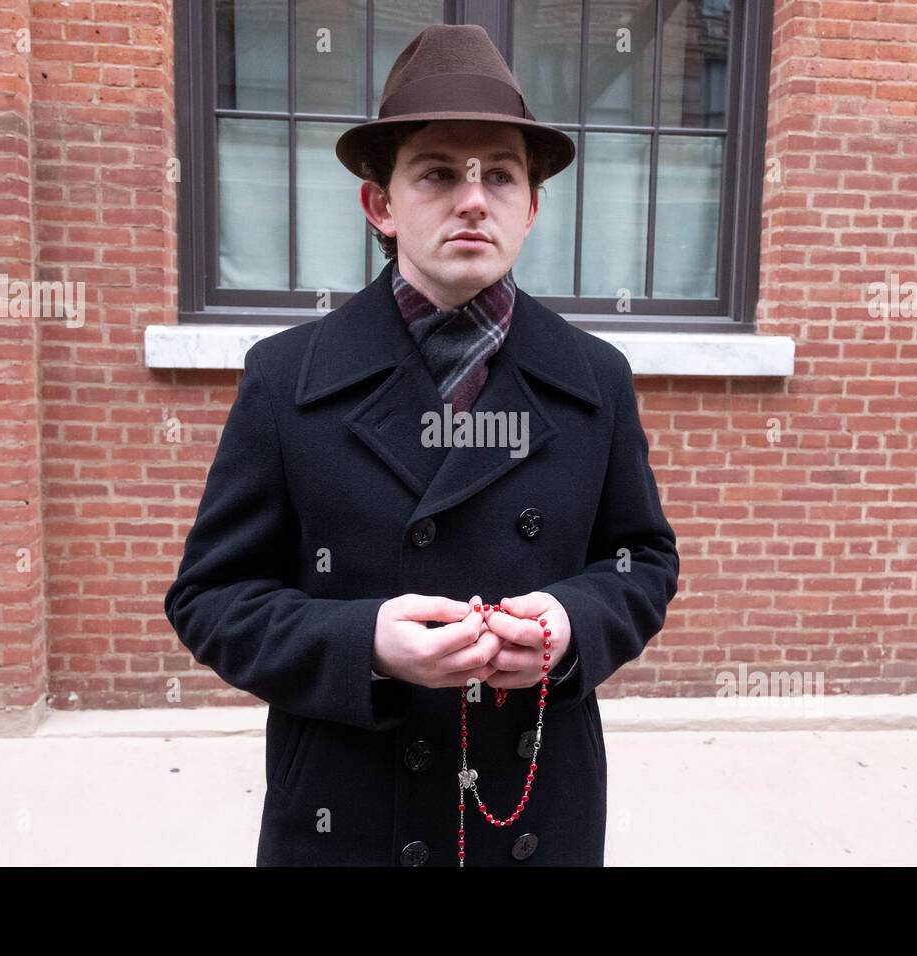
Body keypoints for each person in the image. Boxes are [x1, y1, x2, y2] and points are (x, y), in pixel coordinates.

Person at [164, 23, 679, 867]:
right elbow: (212, 599)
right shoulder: (286, 378)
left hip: (533, 808)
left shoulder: (595, 377)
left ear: (532, 208)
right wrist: (364, 643)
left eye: (501, 176)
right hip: (350, 809)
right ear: (382, 204)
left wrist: (572, 625)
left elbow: (643, 561)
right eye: (439, 173)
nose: (473, 199)